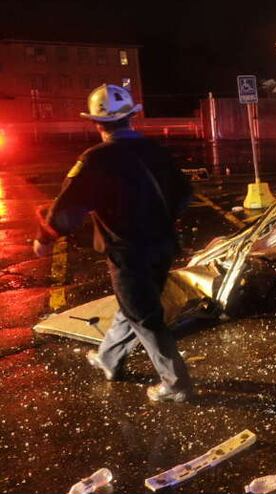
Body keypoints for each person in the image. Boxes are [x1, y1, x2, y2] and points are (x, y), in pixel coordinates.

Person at [33, 84, 193, 401]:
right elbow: (184, 193)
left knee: (144, 316)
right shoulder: (156, 151)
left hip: (128, 253)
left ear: (97, 124)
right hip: (162, 247)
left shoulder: (95, 160)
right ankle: (109, 359)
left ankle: (176, 385)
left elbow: (68, 208)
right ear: (132, 117)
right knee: (132, 305)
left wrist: (45, 238)